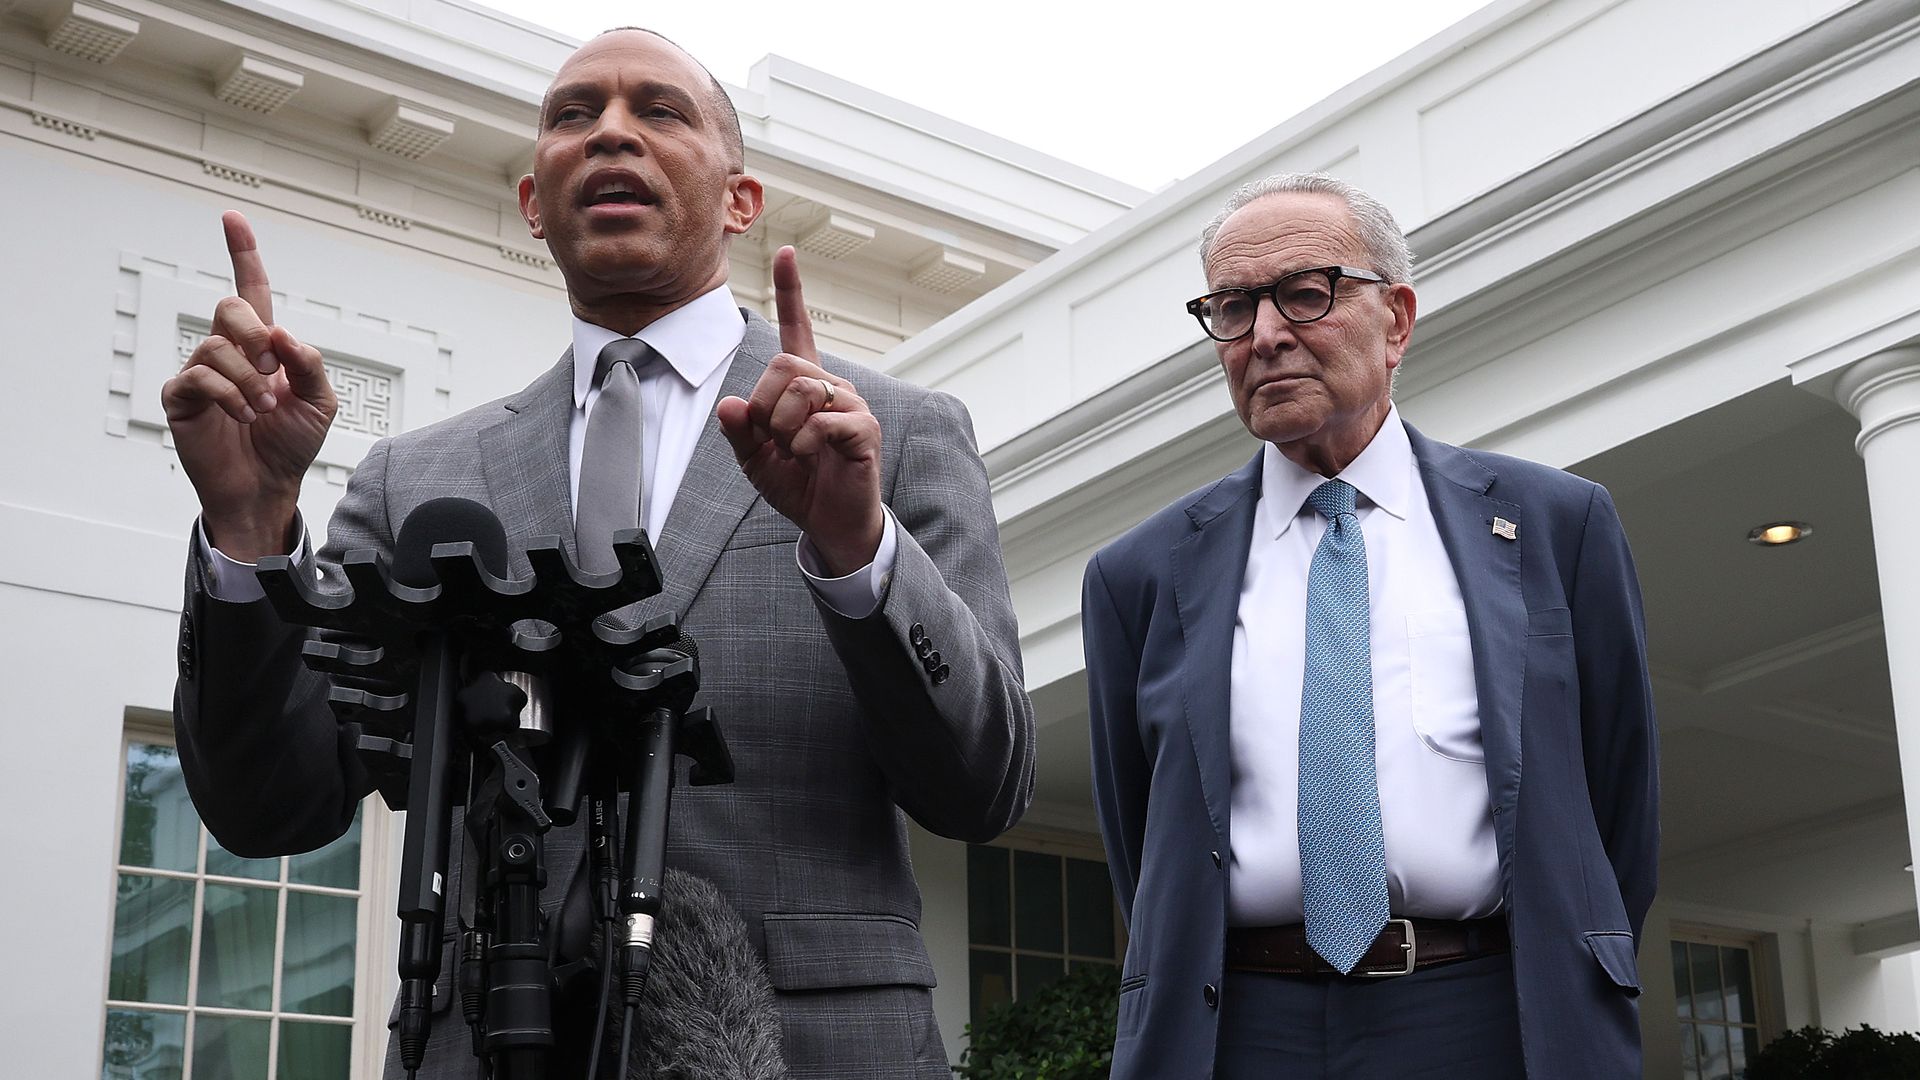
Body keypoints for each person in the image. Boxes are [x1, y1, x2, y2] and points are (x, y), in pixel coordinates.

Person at [164, 27, 1034, 1080]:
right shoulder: (416, 480)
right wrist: (251, 526)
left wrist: (858, 551)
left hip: (805, 1047)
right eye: (573, 115)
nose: (611, 132)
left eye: (660, 111)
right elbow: (269, 803)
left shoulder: (889, 434)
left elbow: (983, 788)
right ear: (535, 202)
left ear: (741, 200)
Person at [1081, 173, 1657, 1079]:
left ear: (1396, 320)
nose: (1266, 335)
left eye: (1306, 294)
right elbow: (1139, 837)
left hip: (1489, 1015)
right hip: (1237, 1031)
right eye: (1232, 308)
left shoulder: (1556, 525)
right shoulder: (1139, 576)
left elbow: (1619, 801)